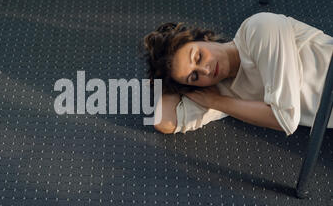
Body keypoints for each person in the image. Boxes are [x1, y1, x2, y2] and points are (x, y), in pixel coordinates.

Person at [140, 12, 333, 136]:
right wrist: (168, 81)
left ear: (205, 38)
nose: (206, 70)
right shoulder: (222, 91)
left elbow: (286, 118)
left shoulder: (259, 28)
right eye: (194, 76)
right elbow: (163, 122)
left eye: (198, 56)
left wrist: (216, 103)